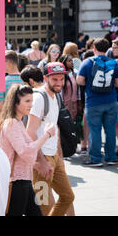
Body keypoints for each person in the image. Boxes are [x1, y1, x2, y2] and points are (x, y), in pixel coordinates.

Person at [0, 84, 56, 216]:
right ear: (15, 103)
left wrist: (36, 165)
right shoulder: (11, 124)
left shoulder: (17, 122)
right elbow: (25, 151)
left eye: (32, 101)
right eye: (27, 101)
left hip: (23, 179)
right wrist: (47, 135)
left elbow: (20, 153)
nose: (31, 105)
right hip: (16, 181)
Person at [26, 62, 75, 216]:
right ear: (46, 78)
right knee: (42, 204)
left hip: (54, 156)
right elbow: (30, 132)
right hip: (41, 158)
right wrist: (40, 160)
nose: (59, 82)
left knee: (67, 197)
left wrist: (58, 155)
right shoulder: (39, 97)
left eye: (61, 79)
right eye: (55, 79)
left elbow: (55, 127)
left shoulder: (56, 97)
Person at [76, 38, 118, 167]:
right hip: (111, 100)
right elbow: (117, 83)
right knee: (110, 130)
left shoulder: (87, 62)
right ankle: (111, 157)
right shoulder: (113, 63)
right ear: (107, 49)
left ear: (94, 48)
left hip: (93, 101)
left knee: (94, 130)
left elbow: (79, 80)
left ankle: (96, 159)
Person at [0, 50, 24, 129]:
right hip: (24, 122)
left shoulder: (2, 81)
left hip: (8, 123)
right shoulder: (26, 80)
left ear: (8, 63)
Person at [58, 54, 80, 120]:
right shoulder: (61, 75)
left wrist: (79, 102)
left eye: (72, 60)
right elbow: (60, 92)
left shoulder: (74, 73)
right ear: (64, 62)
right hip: (65, 105)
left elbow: (78, 89)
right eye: (69, 61)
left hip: (74, 103)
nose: (72, 62)